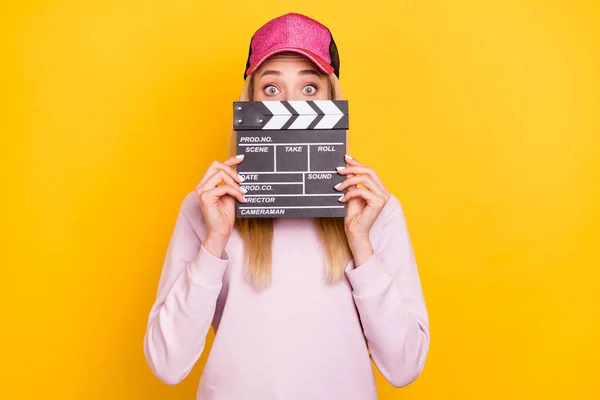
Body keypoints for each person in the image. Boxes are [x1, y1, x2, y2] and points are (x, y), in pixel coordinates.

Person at [143, 12, 430, 400]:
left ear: (332, 100)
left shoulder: (375, 211)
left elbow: (404, 365)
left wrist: (361, 244)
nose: (290, 106)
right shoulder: (208, 209)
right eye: (272, 89)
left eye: (309, 88)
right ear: (251, 102)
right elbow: (166, 361)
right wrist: (215, 241)